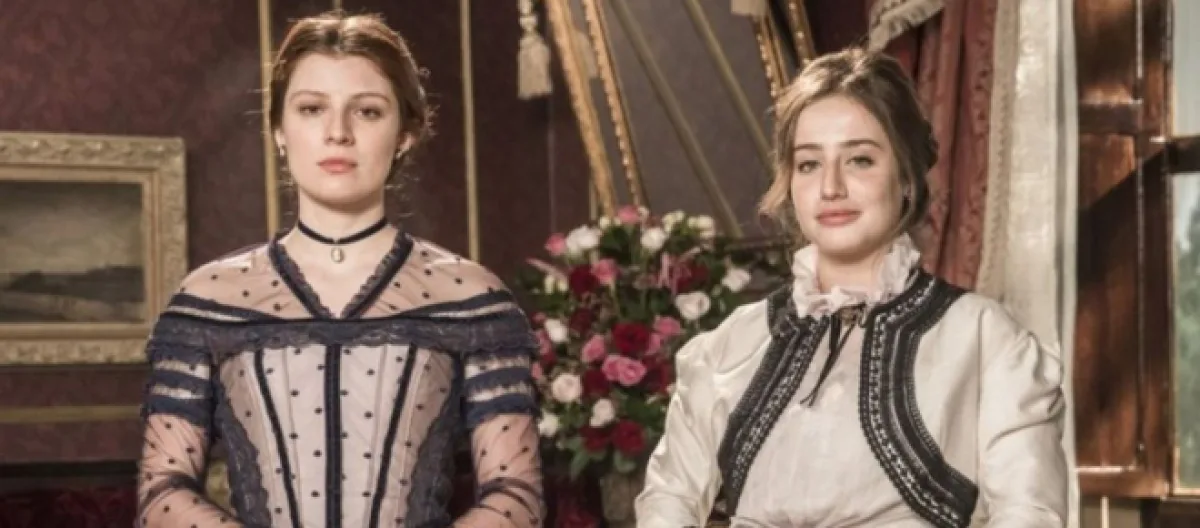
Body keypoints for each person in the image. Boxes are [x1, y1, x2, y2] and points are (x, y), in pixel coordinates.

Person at [135, 11, 544, 528]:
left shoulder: (472, 300)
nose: (338, 133)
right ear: (279, 130)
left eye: (367, 111)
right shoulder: (209, 301)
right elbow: (162, 491)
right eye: (311, 108)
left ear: (406, 133)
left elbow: (517, 495)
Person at [634, 48, 1068, 527]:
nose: (831, 188)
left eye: (860, 160)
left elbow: (1030, 516)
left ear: (906, 178)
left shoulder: (984, 340)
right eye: (808, 164)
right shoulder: (729, 348)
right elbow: (666, 504)